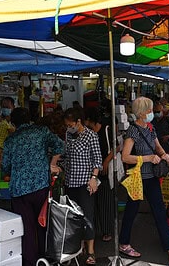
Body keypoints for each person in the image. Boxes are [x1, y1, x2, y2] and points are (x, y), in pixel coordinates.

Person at [118, 97, 169, 265]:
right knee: (131, 212)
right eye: (149, 111)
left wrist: (164, 155)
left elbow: (158, 146)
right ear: (140, 113)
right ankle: (124, 243)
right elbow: (125, 156)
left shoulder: (150, 128)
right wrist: (148, 158)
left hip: (152, 178)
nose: (151, 113)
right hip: (138, 179)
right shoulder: (132, 131)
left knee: (159, 213)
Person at [1, 107, 63, 266]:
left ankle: (29, 262)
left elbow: (5, 167)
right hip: (41, 186)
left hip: (20, 190)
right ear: (29, 119)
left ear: (13, 123)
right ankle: (45, 259)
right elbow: (60, 146)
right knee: (43, 223)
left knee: (26, 229)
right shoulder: (42, 132)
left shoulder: (10, 140)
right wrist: (49, 163)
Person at [63, 108, 102, 265]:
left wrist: (93, 178)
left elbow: (97, 159)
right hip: (70, 182)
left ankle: (91, 251)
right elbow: (66, 155)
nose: (68, 127)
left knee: (87, 216)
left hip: (85, 183)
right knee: (73, 216)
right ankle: (78, 248)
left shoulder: (91, 136)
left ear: (78, 121)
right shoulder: (68, 135)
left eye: (69, 124)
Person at [84, 108, 116, 242]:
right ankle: (96, 229)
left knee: (106, 201)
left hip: (105, 171)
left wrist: (106, 161)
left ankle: (107, 230)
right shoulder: (88, 133)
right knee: (94, 201)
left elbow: (117, 146)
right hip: (92, 171)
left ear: (90, 121)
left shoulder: (107, 129)